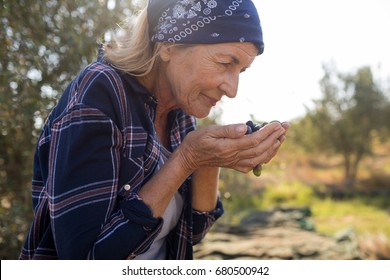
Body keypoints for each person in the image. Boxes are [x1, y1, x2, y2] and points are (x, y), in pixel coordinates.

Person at [20, 0, 289, 260]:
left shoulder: (181, 113)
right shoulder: (102, 91)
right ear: (168, 46)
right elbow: (87, 259)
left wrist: (210, 161)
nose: (232, 89)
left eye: (241, 71)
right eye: (224, 63)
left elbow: (191, 232)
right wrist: (186, 159)